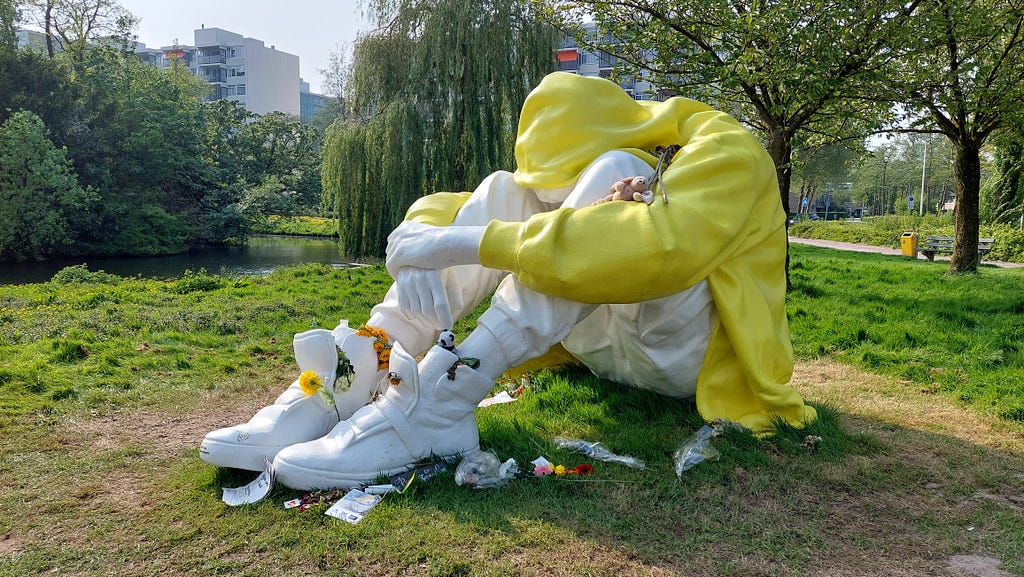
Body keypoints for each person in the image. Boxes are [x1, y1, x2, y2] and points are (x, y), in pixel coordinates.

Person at [200, 72, 817, 490]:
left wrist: (450, 244)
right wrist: (420, 248)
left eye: (561, 181)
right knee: (502, 189)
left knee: (613, 184)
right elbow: (449, 209)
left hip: (683, 357)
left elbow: (654, 252)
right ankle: (353, 373)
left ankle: (443, 401)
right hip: (600, 345)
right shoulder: (542, 184)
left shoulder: (727, 151)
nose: (551, 199)